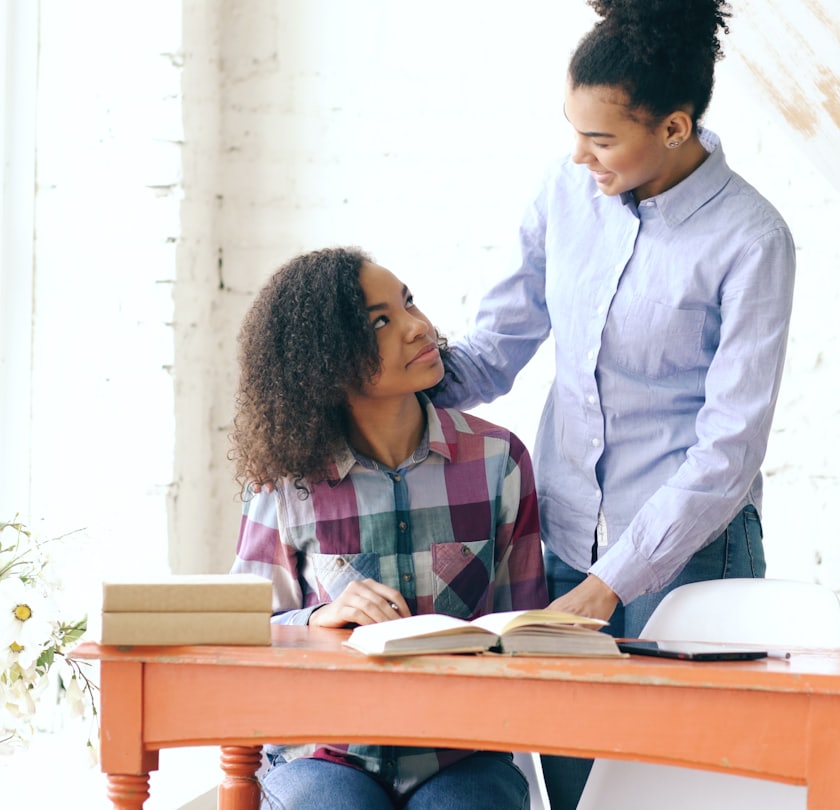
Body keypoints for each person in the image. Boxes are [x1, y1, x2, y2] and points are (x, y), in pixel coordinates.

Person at [431, 2, 797, 806]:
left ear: (674, 127)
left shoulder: (751, 238)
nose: (579, 155)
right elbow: (497, 348)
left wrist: (612, 583)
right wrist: (383, 374)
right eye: (574, 131)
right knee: (575, 790)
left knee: (679, 792)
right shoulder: (566, 194)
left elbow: (730, 450)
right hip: (566, 540)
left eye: (600, 139)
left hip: (691, 557)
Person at [227, 246, 547, 810]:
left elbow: (526, 631)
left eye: (408, 303)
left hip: (461, 753)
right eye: (380, 322)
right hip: (322, 752)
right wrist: (318, 618)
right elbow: (240, 627)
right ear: (327, 360)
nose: (417, 327)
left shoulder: (499, 461)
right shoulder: (285, 483)